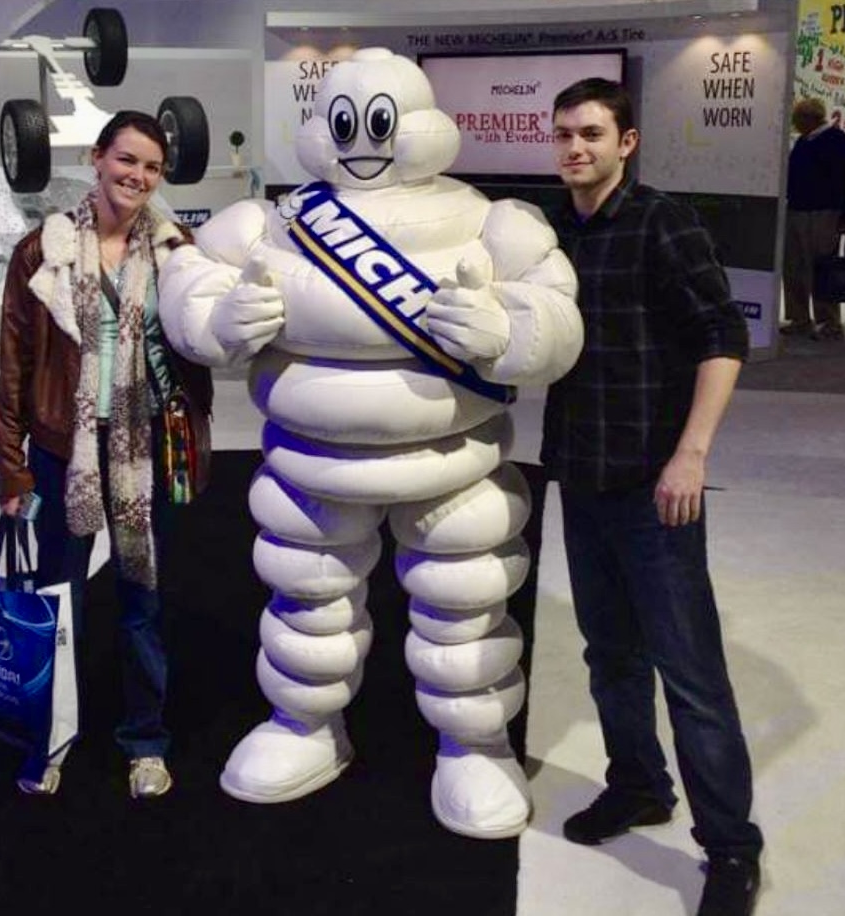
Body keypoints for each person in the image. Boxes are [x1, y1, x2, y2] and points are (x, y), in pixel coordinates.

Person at [158, 48, 582, 840]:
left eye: (380, 121)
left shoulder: (489, 219)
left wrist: (505, 330)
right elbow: (190, 273)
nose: (365, 139)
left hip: (452, 462)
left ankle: (473, 742)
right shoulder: (276, 220)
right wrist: (216, 322)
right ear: (324, 127)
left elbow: (555, 309)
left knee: (464, 606)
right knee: (307, 601)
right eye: (348, 122)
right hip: (310, 463)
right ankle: (305, 726)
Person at [541, 78, 763, 916]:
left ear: (626, 141)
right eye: (562, 133)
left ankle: (732, 848)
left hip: (653, 486)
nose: (574, 148)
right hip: (583, 475)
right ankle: (637, 785)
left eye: (591, 133)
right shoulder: (555, 228)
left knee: (691, 673)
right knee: (611, 658)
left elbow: (720, 334)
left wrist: (691, 455)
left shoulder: (660, 220)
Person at [0, 109, 213, 799]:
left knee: (140, 600)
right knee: (57, 602)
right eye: (127, 160)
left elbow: (199, 346)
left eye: (151, 167)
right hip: (64, 449)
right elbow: (15, 364)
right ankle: (49, 737)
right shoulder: (44, 250)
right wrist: (12, 465)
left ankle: (144, 740)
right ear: (96, 157)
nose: (138, 177)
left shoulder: (180, 249)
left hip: (146, 445)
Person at [781, 97, 845, 340]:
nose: (796, 126)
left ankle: (829, 323)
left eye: (798, 120)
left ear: (811, 118)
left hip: (825, 212)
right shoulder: (804, 142)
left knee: (822, 268)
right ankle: (799, 318)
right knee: (793, 266)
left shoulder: (837, 140)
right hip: (796, 210)